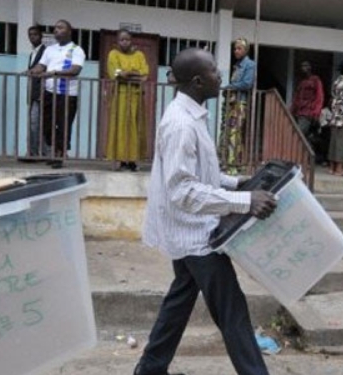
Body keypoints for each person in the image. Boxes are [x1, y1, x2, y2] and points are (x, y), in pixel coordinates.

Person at [136, 48, 277, 375]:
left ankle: (149, 370)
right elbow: (182, 190)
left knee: (178, 304)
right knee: (233, 313)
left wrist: (237, 181)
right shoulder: (181, 124)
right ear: (198, 81)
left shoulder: (191, 114)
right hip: (194, 233)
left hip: (187, 231)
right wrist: (245, 201)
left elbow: (198, 175)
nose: (221, 76)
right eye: (215, 70)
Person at [29, 19, 86, 169]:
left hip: (67, 95)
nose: (56, 30)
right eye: (55, 28)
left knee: (63, 126)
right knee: (46, 125)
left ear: (69, 32)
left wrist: (53, 73)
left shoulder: (76, 50)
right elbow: (41, 66)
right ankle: (55, 151)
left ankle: (59, 155)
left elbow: (75, 70)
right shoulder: (50, 49)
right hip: (49, 93)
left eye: (60, 28)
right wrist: (33, 71)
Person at [106, 29, 149, 172]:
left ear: (132, 40)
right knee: (120, 127)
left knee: (135, 128)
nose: (125, 42)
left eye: (127, 40)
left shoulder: (139, 55)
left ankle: (133, 160)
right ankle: (120, 159)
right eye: (121, 40)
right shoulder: (113, 54)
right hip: (120, 96)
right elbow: (115, 74)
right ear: (117, 42)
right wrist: (133, 73)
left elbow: (144, 76)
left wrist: (127, 74)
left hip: (136, 96)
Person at [219, 37, 256, 174]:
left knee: (234, 134)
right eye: (235, 48)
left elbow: (247, 84)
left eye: (239, 48)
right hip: (232, 102)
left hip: (240, 103)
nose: (236, 51)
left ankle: (232, 166)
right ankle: (236, 164)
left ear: (245, 50)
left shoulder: (249, 65)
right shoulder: (237, 66)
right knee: (231, 133)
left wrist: (230, 87)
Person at [20, 25, 47, 163]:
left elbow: (44, 70)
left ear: (41, 36)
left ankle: (35, 153)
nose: (32, 37)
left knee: (36, 123)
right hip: (33, 93)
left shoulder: (45, 51)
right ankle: (35, 153)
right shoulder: (32, 53)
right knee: (35, 123)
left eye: (35, 34)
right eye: (30, 35)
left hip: (41, 93)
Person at [290, 61, 324, 139]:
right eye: (302, 66)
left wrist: (316, 112)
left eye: (305, 66)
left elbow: (320, 97)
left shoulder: (315, 81)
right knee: (300, 135)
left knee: (299, 135)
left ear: (309, 68)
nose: (302, 68)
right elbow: (296, 98)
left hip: (308, 112)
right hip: (299, 112)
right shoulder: (301, 82)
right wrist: (292, 111)